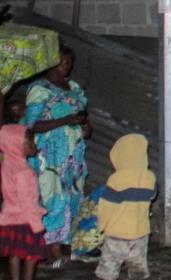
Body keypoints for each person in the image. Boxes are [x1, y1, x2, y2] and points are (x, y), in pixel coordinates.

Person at [21, 45, 91, 268]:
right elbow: (32, 126)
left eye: (69, 62)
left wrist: (86, 128)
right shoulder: (39, 89)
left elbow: (83, 118)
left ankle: (61, 245)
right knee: (52, 198)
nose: (66, 67)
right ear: (49, 63)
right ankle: (47, 250)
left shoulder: (74, 88)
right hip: (49, 156)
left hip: (73, 156)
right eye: (62, 62)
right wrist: (66, 121)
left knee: (71, 198)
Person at [95, 134, 155, 280]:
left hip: (117, 234)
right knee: (138, 268)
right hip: (140, 234)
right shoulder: (150, 177)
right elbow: (152, 196)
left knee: (108, 268)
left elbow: (106, 207)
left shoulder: (116, 179)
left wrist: (101, 226)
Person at [0, 125, 47, 280]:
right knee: (30, 256)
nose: (34, 146)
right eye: (30, 143)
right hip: (26, 220)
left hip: (9, 218)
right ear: (16, 146)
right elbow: (26, 202)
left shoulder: (6, 165)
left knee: (14, 253)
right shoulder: (24, 171)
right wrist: (36, 225)